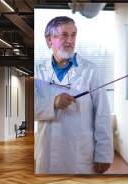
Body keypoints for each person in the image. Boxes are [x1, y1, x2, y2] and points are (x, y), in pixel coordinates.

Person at [34, 16, 113, 174]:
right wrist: (53, 102)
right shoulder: (37, 71)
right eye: (64, 35)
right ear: (49, 40)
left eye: (73, 35)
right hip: (47, 154)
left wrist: (104, 154)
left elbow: (102, 114)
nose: (70, 40)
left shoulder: (90, 70)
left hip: (78, 154)